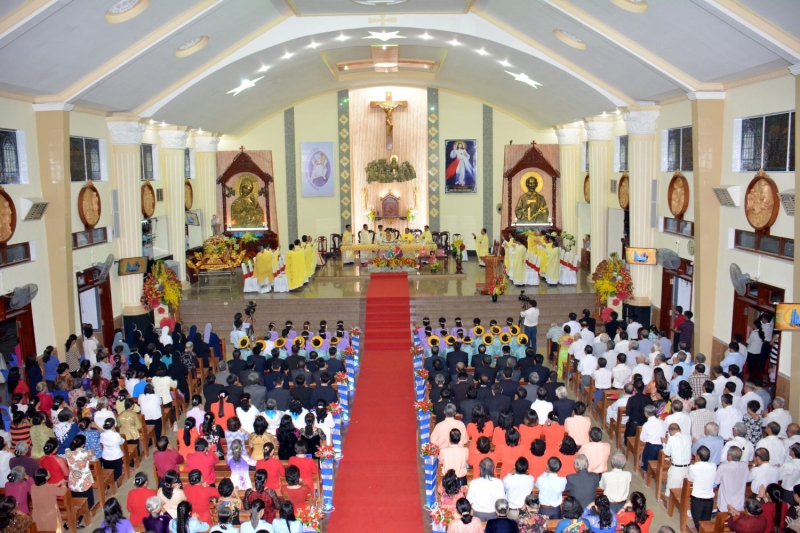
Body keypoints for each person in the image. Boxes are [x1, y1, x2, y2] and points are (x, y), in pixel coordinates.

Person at [687, 446, 717, 529]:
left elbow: (690, 479)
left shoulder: (693, 467)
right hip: (709, 500)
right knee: (706, 524)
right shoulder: (713, 466)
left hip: (697, 500)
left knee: (698, 525)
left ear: (697, 456)